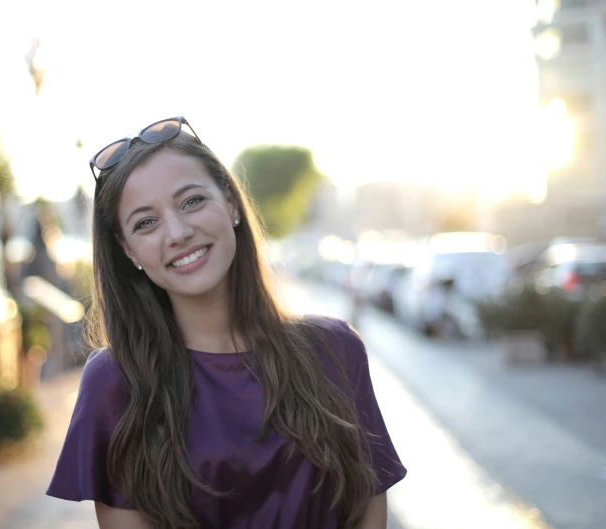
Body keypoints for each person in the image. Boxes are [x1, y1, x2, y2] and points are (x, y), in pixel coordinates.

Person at [46, 116, 407, 529]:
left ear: (231, 204)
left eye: (192, 201)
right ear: (128, 252)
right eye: (146, 222)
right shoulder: (116, 382)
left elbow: (367, 512)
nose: (178, 232)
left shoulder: (335, 350)